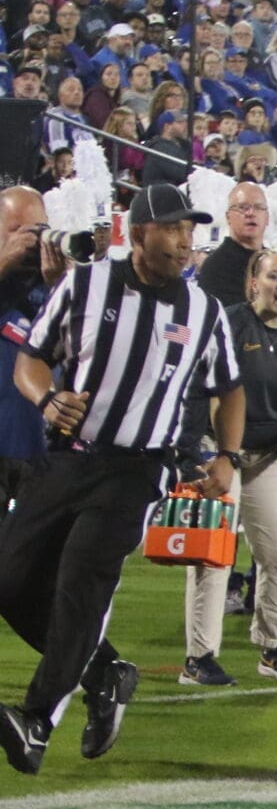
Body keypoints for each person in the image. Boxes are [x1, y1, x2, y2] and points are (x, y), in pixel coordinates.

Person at [0, 185, 244, 773]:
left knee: (80, 580)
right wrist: (47, 398)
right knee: (9, 581)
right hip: (66, 456)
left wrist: (228, 456)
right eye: (172, 228)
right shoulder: (84, 285)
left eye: (189, 230)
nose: (184, 241)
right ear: (138, 234)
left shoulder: (203, 310)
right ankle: (106, 673)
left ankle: (36, 720)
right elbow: (31, 358)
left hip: (137, 468)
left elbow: (230, 387)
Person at [179, 251, 277, 685]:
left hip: (270, 453)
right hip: (220, 452)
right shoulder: (228, 324)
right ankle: (199, 657)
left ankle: (274, 648)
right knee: (213, 557)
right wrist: (193, 451)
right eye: (274, 276)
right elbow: (196, 385)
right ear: (253, 284)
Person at [0, 187, 67, 524]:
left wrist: (62, 284)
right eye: (16, 229)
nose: (29, 240)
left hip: (39, 453)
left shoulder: (51, 288)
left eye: (38, 229)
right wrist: (5, 262)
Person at [196, 182, 269, 305]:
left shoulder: (274, 262)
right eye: (242, 207)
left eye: (258, 207)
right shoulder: (215, 267)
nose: (251, 213)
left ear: (267, 218)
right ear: (228, 217)